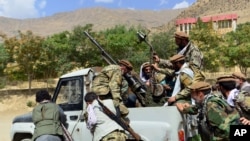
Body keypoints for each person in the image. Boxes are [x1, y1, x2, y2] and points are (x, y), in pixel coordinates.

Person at [176, 81, 241, 141]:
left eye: (192, 94)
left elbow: (224, 131)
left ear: (200, 94)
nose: (192, 97)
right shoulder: (207, 100)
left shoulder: (211, 106)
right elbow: (196, 108)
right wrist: (185, 109)